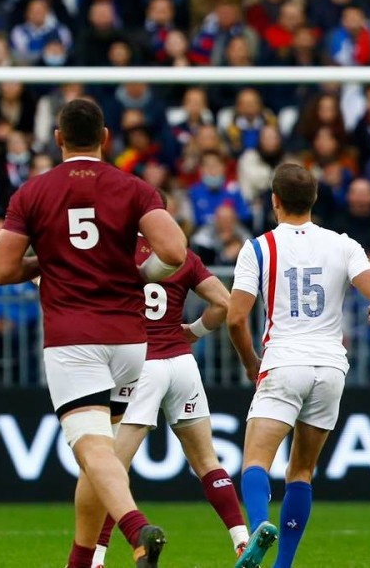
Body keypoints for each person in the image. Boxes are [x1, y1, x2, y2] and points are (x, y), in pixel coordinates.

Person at [0, 98, 186, 568]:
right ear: (105, 138)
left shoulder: (32, 193)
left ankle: (137, 530)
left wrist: (51, 261)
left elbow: (2, 269)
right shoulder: (133, 188)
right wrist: (142, 272)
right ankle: (81, 561)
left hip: (72, 338)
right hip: (129, 339)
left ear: (58, 138)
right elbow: (175, 252)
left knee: (93, 449)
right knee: (101, 458)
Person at [227, 163, 370, 568]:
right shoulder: (342, 244)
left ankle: (257, 529)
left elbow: (235, 318)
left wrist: (252, 363)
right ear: (315, 199)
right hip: (330, 367)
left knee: (255, 462)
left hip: (284, 360)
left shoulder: (258, 248)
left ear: (275, 201)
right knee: (301, 470)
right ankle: (284, 564)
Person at [94, 232, 262, 568]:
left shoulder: (114, 251)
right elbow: (224, 303)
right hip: (182, 364)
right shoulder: (180, 254)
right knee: (207, 461)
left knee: (111, 468)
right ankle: (242, 540)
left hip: (141, 365)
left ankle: (95, 558)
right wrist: (195, 331)